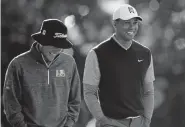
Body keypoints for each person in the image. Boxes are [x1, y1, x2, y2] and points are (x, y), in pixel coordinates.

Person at [83, 4, 155, 127]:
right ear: (115, 24)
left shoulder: (145, 53)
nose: (132, 27)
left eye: (135, 23)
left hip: (138, 123)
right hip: (110, 122)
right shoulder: (97, 53)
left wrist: (147, 120)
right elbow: (89, 92)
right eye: (127, 23)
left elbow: (148, 91)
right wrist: (102, 120)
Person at [3, 19, 81, 127]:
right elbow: (11, 102)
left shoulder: (69, 63)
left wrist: (69, 123)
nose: (57, 50)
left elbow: (75, 99)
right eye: (54, 46)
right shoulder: (18, 64)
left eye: (60, 47)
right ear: (41, 41)